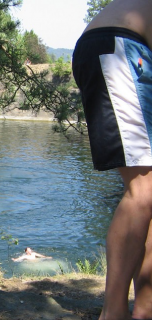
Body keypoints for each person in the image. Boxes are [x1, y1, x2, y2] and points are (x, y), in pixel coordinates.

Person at [71, 1, 152, 319]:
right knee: (143, 191)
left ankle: (145, 310)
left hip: (130, 48)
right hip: (120, 46)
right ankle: (113, 312)